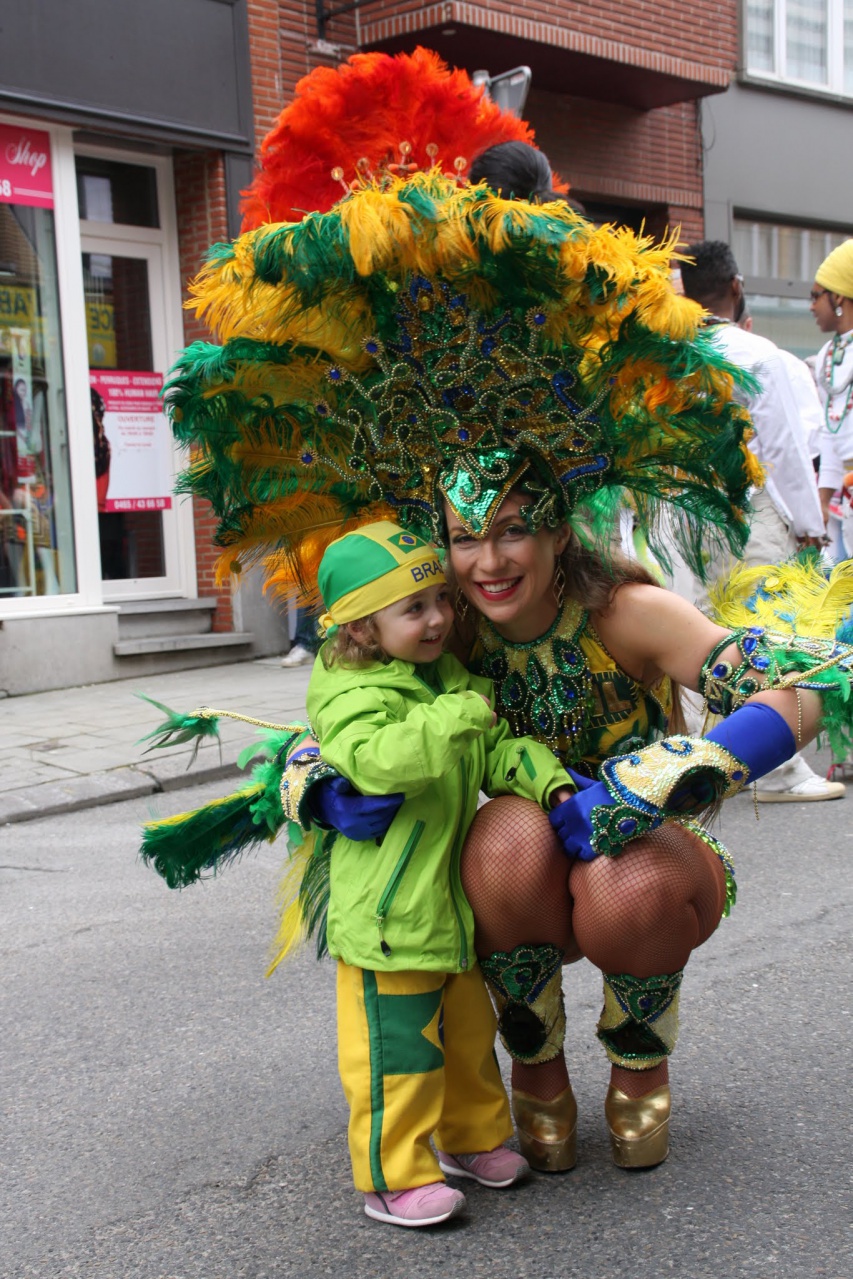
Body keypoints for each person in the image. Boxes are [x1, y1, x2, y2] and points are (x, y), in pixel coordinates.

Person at [146, 174, 853, 1184]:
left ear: (559, 529)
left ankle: (639, 1058)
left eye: (514, 529)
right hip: (519, 877)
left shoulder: (626, 612)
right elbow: (337, 719)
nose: (487, 561)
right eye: (464, 536)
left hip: (647, 863)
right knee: (502, 840)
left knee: (626, 878)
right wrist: (315, 786)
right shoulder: (443, 626)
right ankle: (535, 1066)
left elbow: (810, 683)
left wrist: (666, 776)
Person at [300, 518, 581, 1226]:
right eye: (414, 609)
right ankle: (392, 1176)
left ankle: (471, 1139)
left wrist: (549, 783)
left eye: (440, 602)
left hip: (444, 910)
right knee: (397, 1056)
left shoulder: (440, 680)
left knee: (466, 1041)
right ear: (362, 628)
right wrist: (458, 713)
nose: (438, 620)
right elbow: (380, 760)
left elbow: (495, 747)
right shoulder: (352, 693)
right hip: (389, 922)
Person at [677, 241, 842, 802]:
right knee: (767, 628)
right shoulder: (757, 355)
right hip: (751, 508)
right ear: (736, 286)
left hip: (685, 512)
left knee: (700, 630)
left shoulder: (669, 353)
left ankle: (702, 762)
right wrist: (809, 523)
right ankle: (777, 768)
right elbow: (784, 451)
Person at [812, 240, 853, 559]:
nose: (811, 307)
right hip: (845, 498)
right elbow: (830, 433)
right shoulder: (826, 355)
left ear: (838, 296)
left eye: (816, 296)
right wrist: (822, 502)